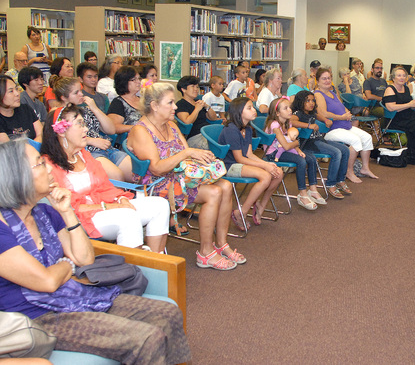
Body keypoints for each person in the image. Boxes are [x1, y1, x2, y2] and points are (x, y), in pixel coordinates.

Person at [0, 139, 190, 364]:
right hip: (39, 316)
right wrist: (67, 264)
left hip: (72, 295)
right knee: (146, 338)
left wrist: (67, 212)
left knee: (167, 313)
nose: (49, 167)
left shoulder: (44, 212)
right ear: (16, 176)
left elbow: (84, 258)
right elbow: (47, 282)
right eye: (40, 163)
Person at [129, 84, 246, 268]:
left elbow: (186, 154)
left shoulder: (171, 125)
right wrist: (187, 154)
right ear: (154, 106)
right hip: (157, 184)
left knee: (226, 185)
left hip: (178, 176)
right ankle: (205, 252)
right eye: (170, 103)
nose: (175, 107)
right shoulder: (141, 131)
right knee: (214, 192)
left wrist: (202, 159)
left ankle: (222, 244)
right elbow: (157, 169)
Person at [41, 105, 167, 252]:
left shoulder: (83, 155)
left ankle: (155, 263)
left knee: (160, 205)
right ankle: (135, 270)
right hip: (81, 218)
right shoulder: (48, 166)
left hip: (104, 207)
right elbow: (69, 207)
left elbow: (105, 186)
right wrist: (111, 206)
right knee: (128, 217)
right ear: (61, 132)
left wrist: (121, 199)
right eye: (80, 124)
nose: (86, 129)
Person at [218, 97, 283, 227]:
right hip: (229, 165)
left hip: (241, 162)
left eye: (252, 107)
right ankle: (241, 212)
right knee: (265, 175)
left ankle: (261, 206)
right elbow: (239, 158)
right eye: (249, 108)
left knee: (278, 172)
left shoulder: (247, 129)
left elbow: (249, 154)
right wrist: (265, 165)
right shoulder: (231, 129)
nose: (254, 110)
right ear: (239, 112)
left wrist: (267, 165)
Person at [53, 76, 131, 182]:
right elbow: (62, 138)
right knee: (117, 177)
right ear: (63, 97)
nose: (81, 94)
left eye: (80, 91)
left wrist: (94, 108)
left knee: (134, 173)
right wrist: (92, 141)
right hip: (87, 152)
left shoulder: (85, 110)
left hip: (106, 149)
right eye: (76, 93)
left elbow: (111, 130)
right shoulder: (58, 114)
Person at [314, 68, 378, 182]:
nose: (327, 80)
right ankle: (349, 171)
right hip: (332, 130)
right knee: (356, 140)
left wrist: (347, 113)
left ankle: (365, 168)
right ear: (318, 81)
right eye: (324, 78)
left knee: (367, 138)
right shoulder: (318, 94)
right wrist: (342, 117)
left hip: (344, 126)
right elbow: (323, 113)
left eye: (329, 78)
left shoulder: (332, 92)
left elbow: (342, 106)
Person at [264, 97, 324, 210]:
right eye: (285, 108)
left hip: (285, 150)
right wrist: (296, 143)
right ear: (277, 113)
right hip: (274, 154)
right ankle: (302, 194)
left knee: (310, 157)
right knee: (301, 161)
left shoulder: (288, 123)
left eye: (289, 108)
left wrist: (299, 150)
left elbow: (290, 144)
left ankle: (313, 189)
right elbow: (287, 145)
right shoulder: (274, 125)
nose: (290, 110)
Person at [290, 90, 352, 199]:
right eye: (307, 101)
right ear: (300, 102)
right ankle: (331, 184)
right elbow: (291, 121)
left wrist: (326, 120)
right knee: (336, 152)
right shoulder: (298, 113)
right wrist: (308, 126)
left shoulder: (311, 113)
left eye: (313, 100)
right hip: (308, 143)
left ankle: (340, 180)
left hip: (318, 140)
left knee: (345, 150)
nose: (311, 103)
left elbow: (319, 116)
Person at [382, 66, 415, 166]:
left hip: (407, 116)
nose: (402, 78)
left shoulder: (406, 88)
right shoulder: (390, 89)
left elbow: (409, 105)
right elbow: (390, 107)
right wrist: (409, 104)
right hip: (395, 119)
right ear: (393, 78)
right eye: (399, 76)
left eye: (404, 75)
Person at [0, 74, 42, 143]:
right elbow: (8, 147)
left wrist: (35, 147)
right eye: (11, 91)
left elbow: (41, 133)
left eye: (16, 89)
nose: (17, 93)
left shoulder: (25, 109)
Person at [175, 75, 217, 149]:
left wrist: (207, 107)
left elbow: (214, 118)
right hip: (195, 136)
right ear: (183, 89)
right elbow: (187, 122)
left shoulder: (198, 102)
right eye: (192, 86)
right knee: (213, 146)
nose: (196, 89)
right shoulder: (180, 104)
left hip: (208, 132)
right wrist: (197, 109)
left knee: (227, 139)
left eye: (197, 87)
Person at [107, 66, 142, 134]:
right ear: (124, 82)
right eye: (134, 79)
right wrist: (138, 127)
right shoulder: (118, 103)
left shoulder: (143, 100)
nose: (138, 82)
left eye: (139, 79)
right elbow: (114, 127)